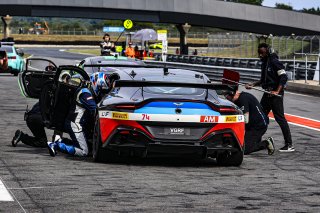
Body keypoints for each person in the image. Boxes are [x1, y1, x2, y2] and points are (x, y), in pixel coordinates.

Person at [245, 43, 294, 152]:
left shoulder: (275, 62)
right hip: (267, 94)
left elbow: (284, 77)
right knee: (259, 118)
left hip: (276, 95)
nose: (260, 55)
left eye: (262, 53)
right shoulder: (264, 63)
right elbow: (263, 80)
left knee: (280, 118)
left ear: (268, 51)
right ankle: (255, 142)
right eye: (259, 53)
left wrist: (277, 91)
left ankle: (289, 144)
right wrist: (253, 84)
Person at [47, 72, 97, 157]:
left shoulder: (83, 91)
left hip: (74, 122)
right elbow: (95, 108)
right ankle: (56, 145)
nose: (73, 84)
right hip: (75, 124)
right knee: (84, 151)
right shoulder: (85, 93)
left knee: (87, 146)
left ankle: (60, 141)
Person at [225, 87, 275, 155]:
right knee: (242, 143)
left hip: (258, 127)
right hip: (254, 125)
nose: (229, 100)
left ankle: (267, 143)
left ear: (234, 94)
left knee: (244, 149)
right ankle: (256, 142)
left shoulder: (242, 99)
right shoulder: (242, 96)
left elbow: (245, 120)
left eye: (229, 98)